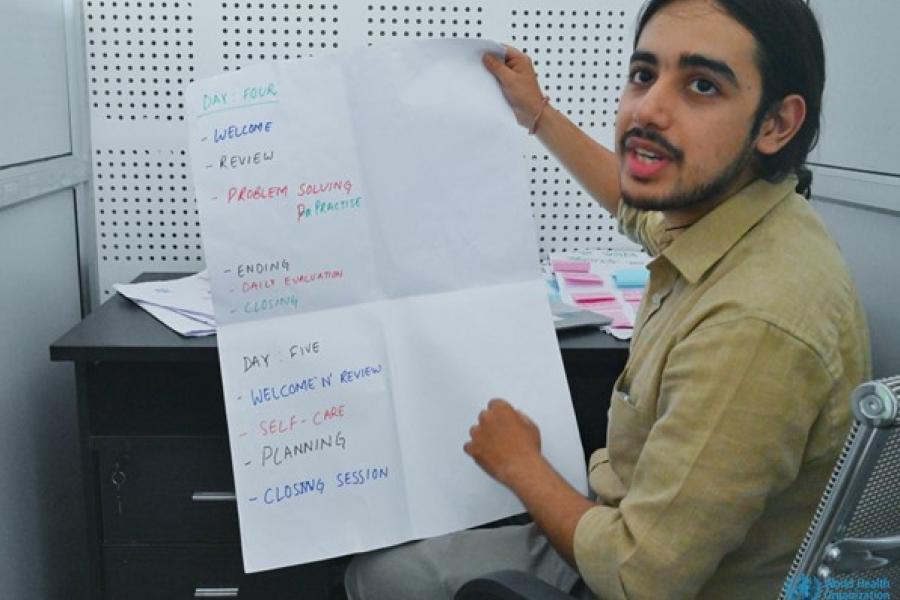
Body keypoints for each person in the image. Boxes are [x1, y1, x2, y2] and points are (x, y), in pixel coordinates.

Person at [344, 0, 871, 598]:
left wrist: (519, 463)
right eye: (644, 74)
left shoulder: (755, 324)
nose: (648, 109)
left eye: (702, 85)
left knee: (378, 574)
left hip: (649, 576)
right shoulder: (749, 214)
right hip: (631, 516)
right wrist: (536, 113)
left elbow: (636, 578)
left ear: (777, 124)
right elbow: (633, 209)